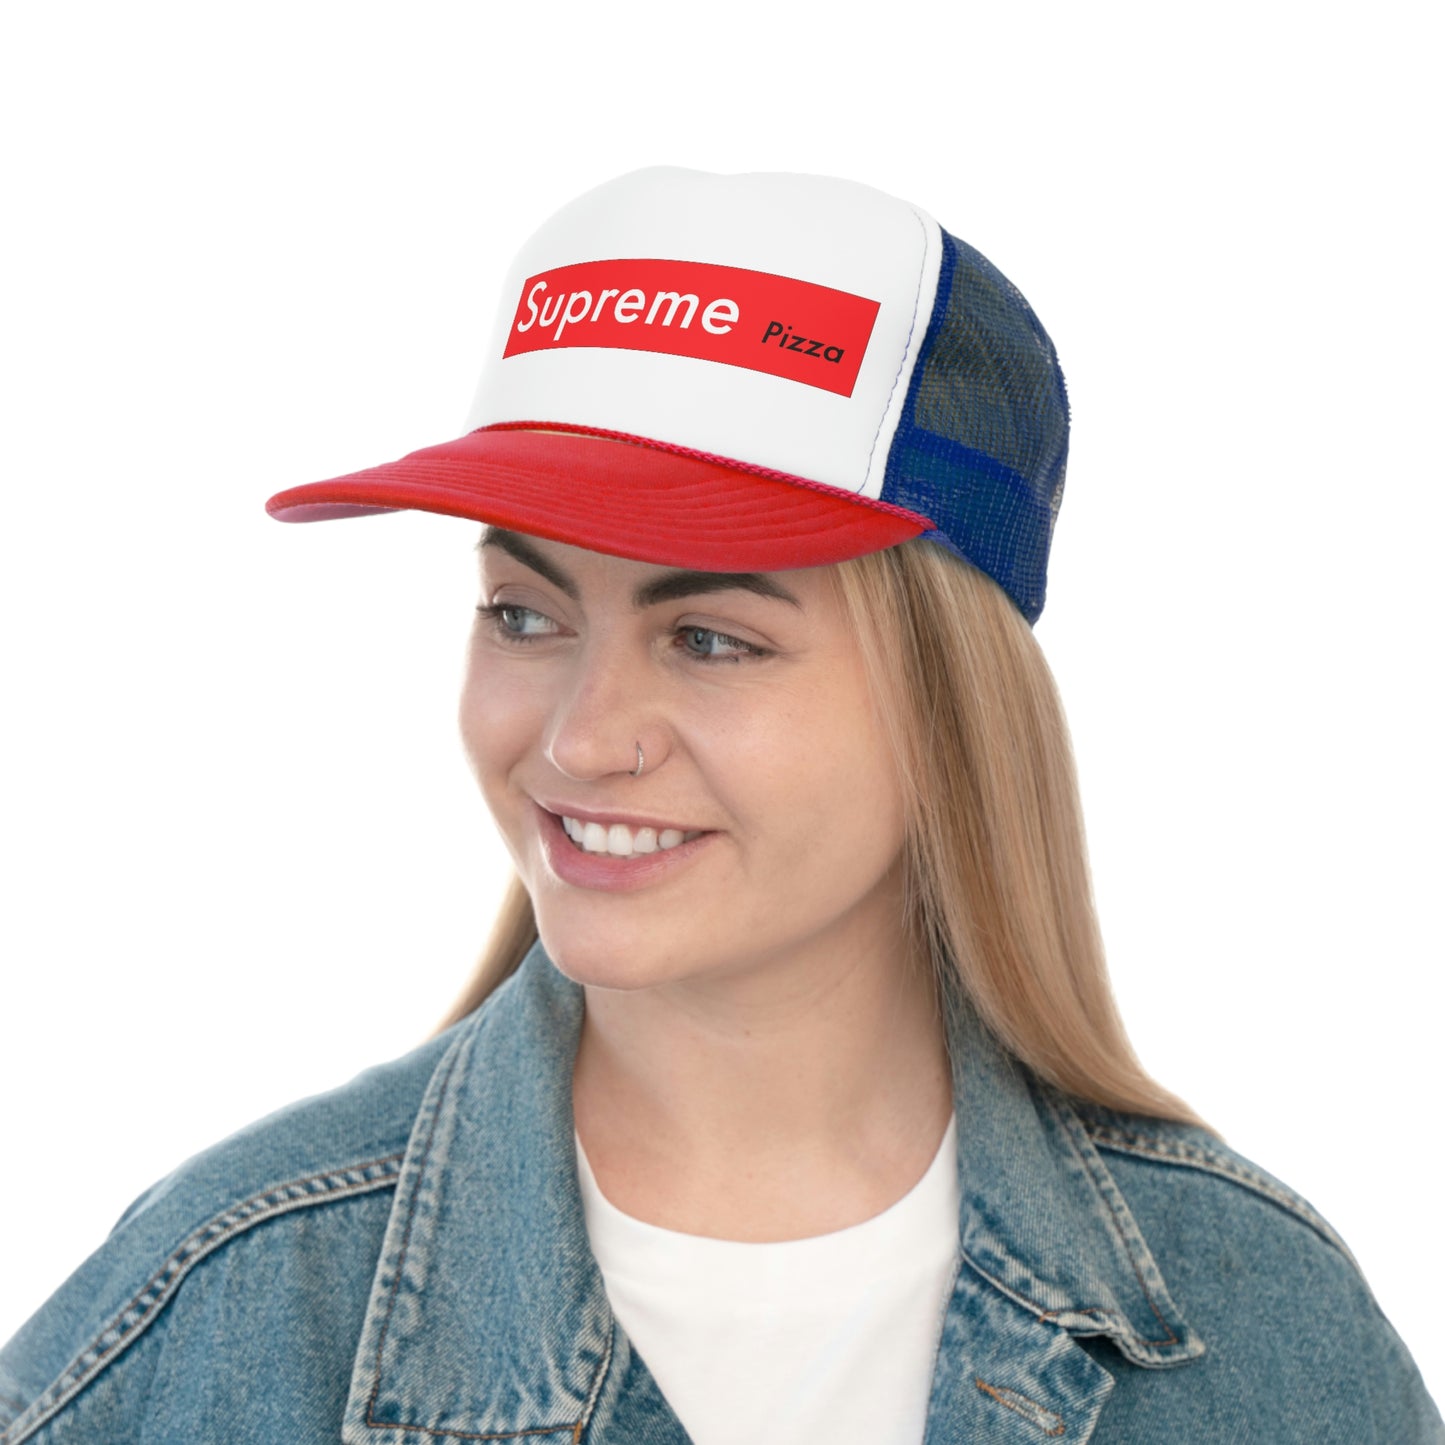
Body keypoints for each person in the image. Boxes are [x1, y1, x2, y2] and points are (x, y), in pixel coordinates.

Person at [0, 167, 1438, 1444]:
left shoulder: (1266, 1329)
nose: (580, 738)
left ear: (953, 701)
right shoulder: (221, 1310)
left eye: (708, 637)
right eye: (522, 613)